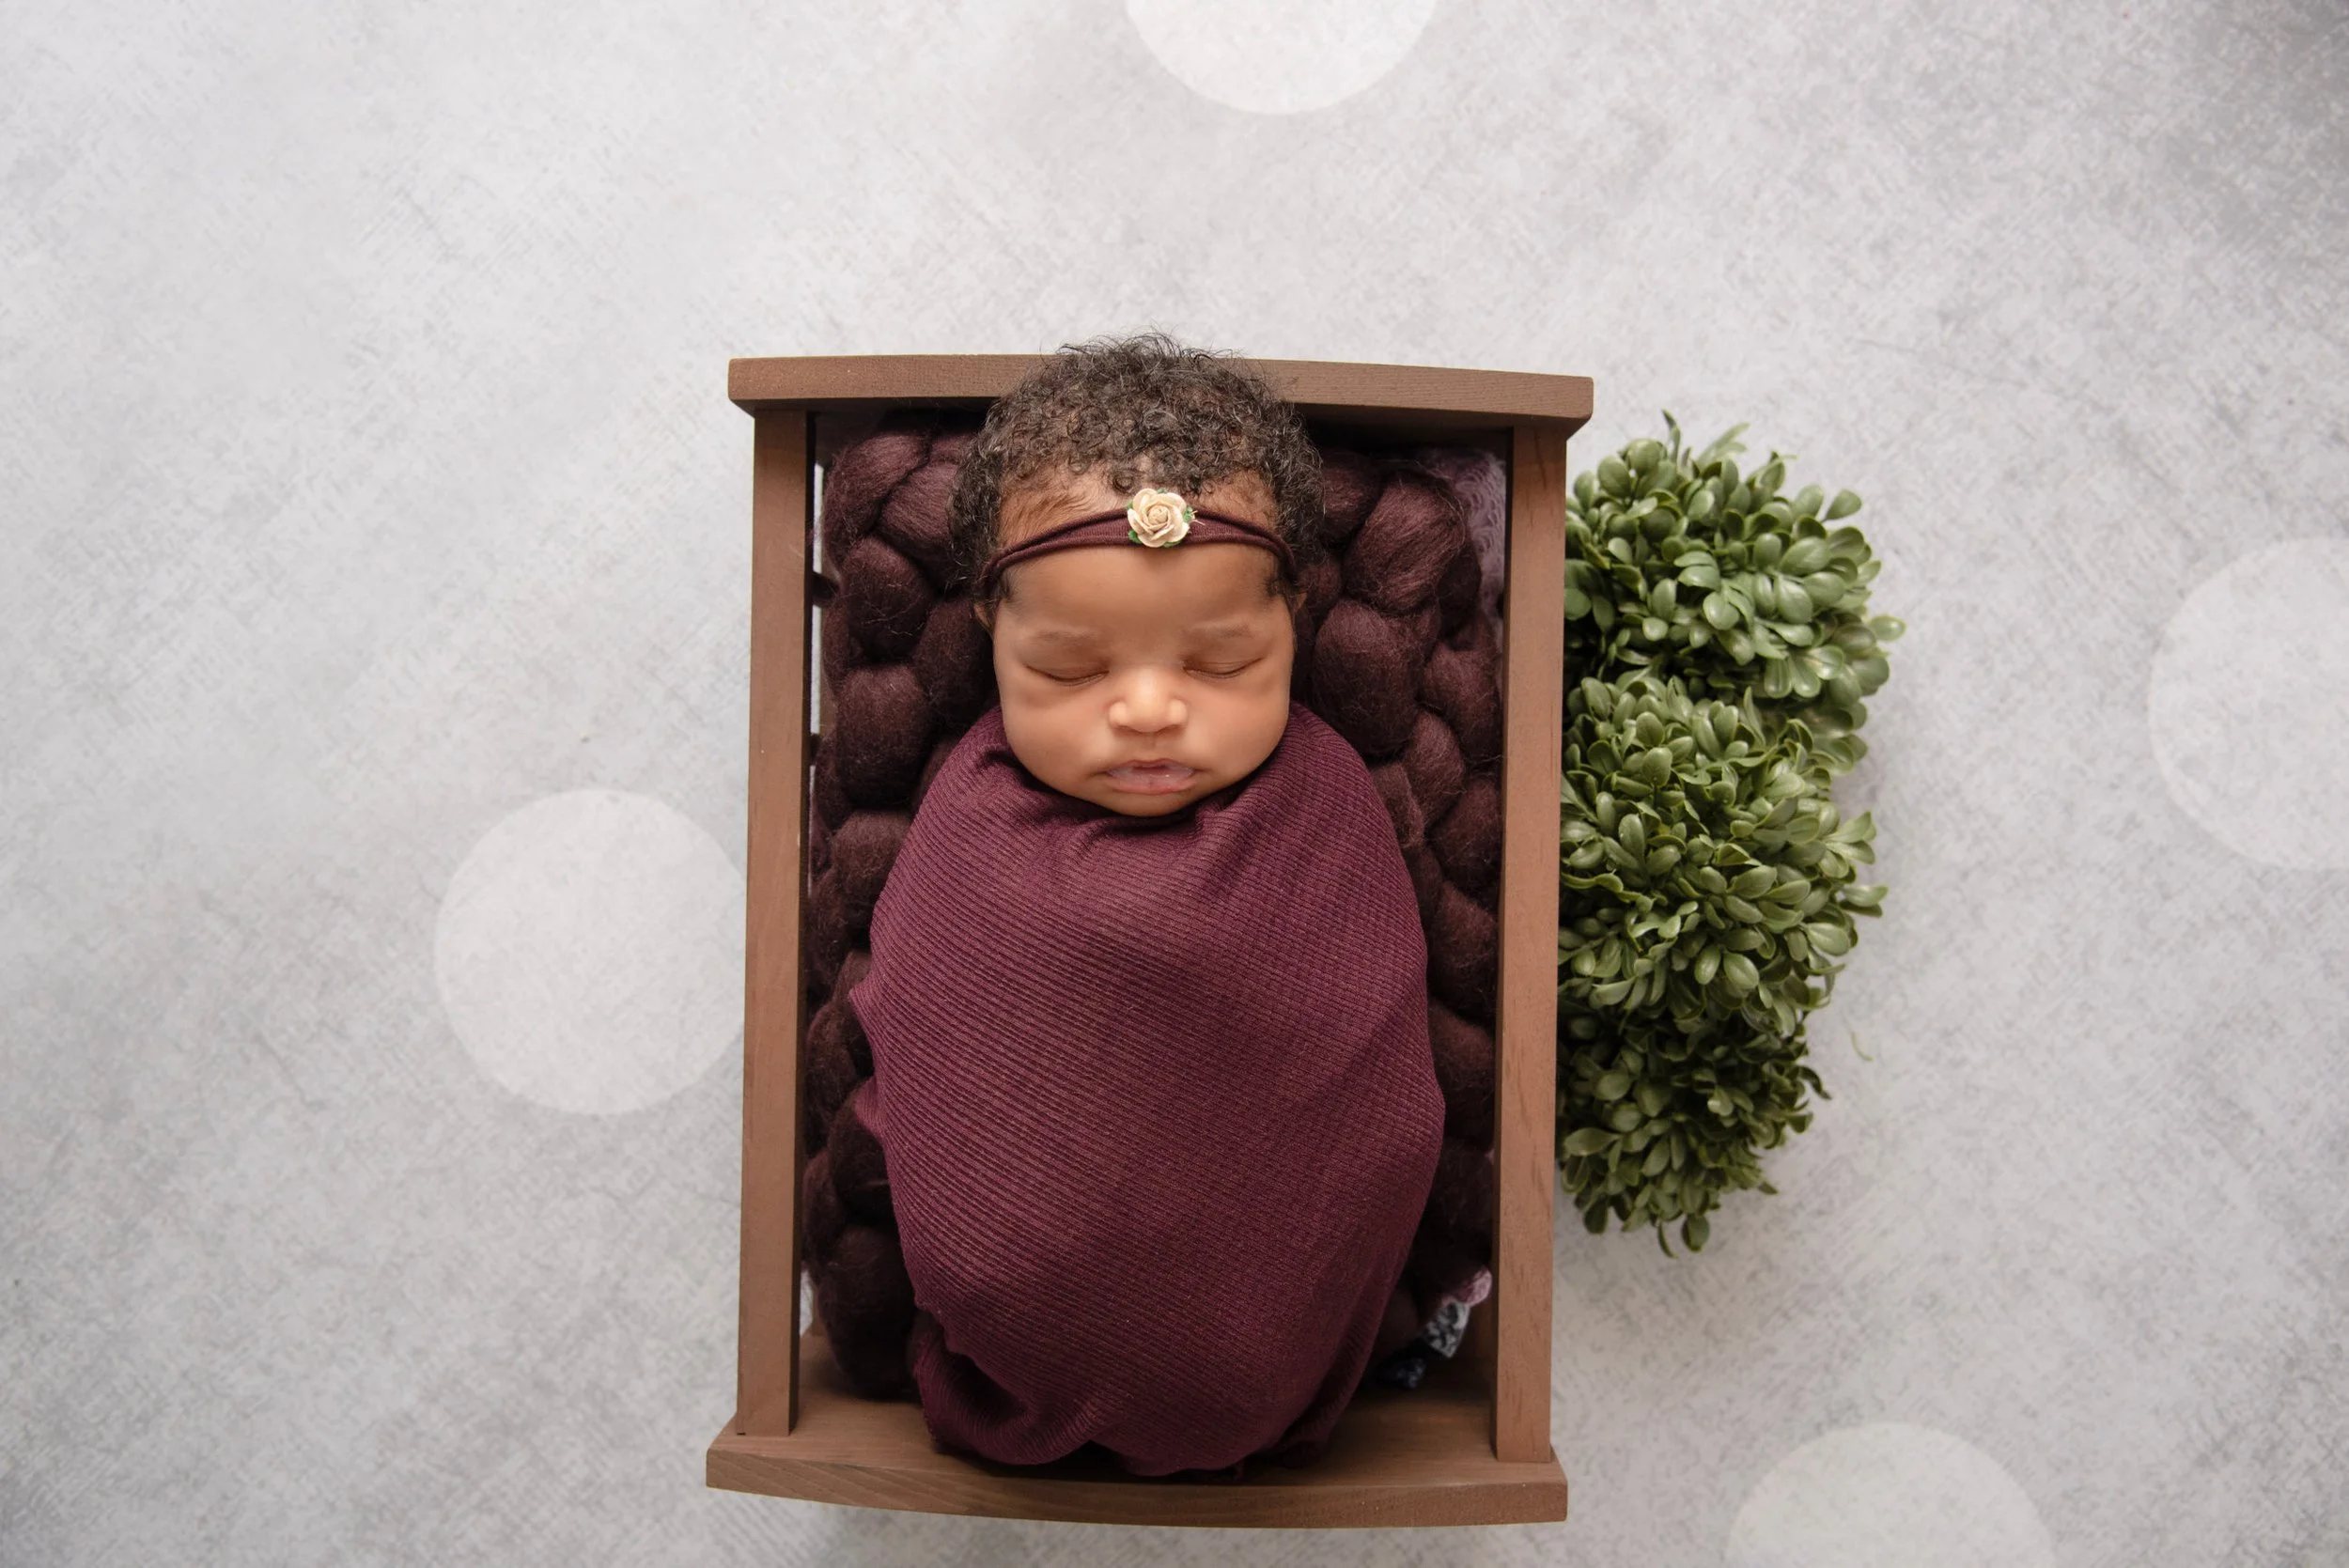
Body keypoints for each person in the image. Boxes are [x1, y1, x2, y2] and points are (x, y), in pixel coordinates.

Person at [840, 336, 1447, 1477]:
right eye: (1072, 670)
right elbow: (922, 1035)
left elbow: (1374, 1095)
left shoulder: (1326, 812)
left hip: (1276, 1335)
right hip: (1010, 1320)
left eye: (1219, 663)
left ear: (1295, 618)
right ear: (991, 627)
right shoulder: (969, 822)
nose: (1150, 710)